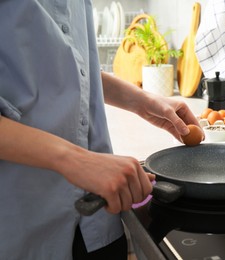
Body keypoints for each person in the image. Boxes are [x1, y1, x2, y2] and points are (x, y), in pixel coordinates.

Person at [0, 1, 201, 259]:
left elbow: (66, 65)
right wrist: (76, 160)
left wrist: (142, 101)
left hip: (98, 222)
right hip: (25, 219)